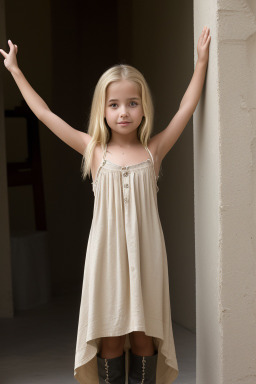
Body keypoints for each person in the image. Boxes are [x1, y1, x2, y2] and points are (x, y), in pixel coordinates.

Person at [0, 25, 211, 384]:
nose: (123, 112)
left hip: (147, 256)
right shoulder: (94, 150)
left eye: (132, 103)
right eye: (114, 105)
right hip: (107, 256)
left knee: (145, 338)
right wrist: (16, 72)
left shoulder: (152, 150)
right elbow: (45, 114)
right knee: (111, 337)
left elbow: (186, 108)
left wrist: (201, 62)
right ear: (103, 109)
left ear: (144, 107)